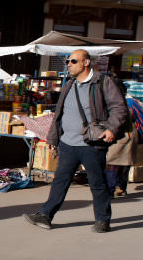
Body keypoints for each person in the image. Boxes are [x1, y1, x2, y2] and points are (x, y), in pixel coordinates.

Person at [23, 49, 128, 233]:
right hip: (68, 144)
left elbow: (119, 108)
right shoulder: (70, 84)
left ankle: (102, 220)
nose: (68, 65)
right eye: (68, 62)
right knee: (60, 181)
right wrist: (54, 137)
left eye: (72, 61)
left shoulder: (103, 82)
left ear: (86, 63)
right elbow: (60, 114)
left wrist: (112, 128)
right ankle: (45, 215)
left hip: (92, 144)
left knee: (97, 183)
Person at [104, 80, 137, 198]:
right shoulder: (126, 102)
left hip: (121, 136)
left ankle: (112, 189)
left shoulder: (118, 104)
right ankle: (120, 187)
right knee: (122, 165)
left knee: (112, 164)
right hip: (127, 136)